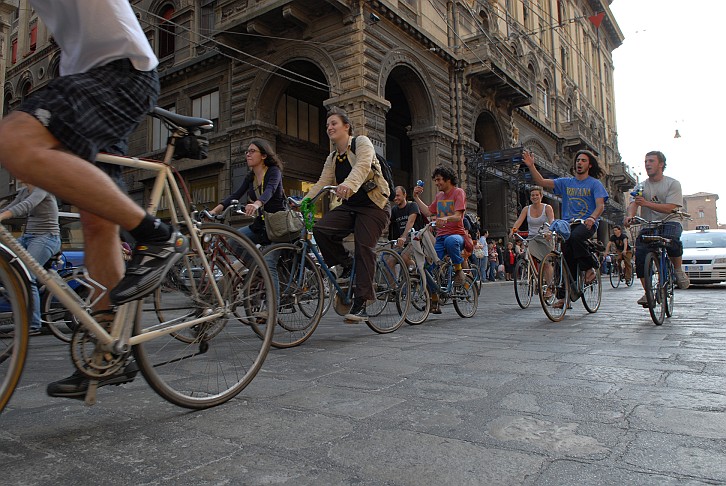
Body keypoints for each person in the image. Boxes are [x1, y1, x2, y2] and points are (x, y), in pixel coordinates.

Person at [0, 1, 184, 399]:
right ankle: (109, 352)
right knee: (97, 219)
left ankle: (156, 235)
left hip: (119, 69)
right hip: (87, 76)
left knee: (14, 139)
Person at [303, 106, 391, 322]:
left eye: (334, 123)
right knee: (321, 229)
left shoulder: (361, 143)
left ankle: (362, 301)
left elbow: (362, 166)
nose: (329, 128)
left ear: (346, 126)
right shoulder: (332, 157)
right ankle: (346, 263)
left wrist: (349, 185)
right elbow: (323, 182)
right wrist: (304, 201)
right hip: (351, 206)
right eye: (327, 125)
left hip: (374, 205)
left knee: (364, 247)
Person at [522, 149, 608, 308]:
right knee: (565, 259)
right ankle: (564, 298)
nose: (579, 163)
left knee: (575, 238)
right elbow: (541, 182)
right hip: (568, 225)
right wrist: (531, 166)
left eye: (583, 160)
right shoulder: (566, 182)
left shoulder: (595, 184)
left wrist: (592, 218)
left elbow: (600, 205)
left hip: (586, 223)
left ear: (589, 165)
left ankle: (590, 266)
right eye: (578, 160)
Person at [209, 139, 286, 297]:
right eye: (247, 152)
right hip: (261, 225)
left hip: (279, 227)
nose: (248, 154)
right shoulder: (250, 177)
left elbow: (270, 190)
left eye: (252, 151)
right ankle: (258, 271)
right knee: (234, 241)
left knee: (269, 263)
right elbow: (235, 195)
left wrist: (257, 204)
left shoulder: (274, 171)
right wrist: (214, 212)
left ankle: (273, 307)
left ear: (263, 155)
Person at [624, 150, 689, 306]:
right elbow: (634, 203)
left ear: (661, 164)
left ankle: (678, 269)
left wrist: (646, 203)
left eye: (651, 161)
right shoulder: (641, 186)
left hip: (670, 220)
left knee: (672, 240)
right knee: (640, 254)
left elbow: (670, 208)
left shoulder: (672, 184)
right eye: (646, 161)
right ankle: (648, 293)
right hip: (649, 224)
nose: (647, 164)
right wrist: (629, 216)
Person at [0, 181, 61, 335]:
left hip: (46, 238)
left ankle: (33, 325)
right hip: (28, 237)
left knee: (27, 277)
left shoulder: (43, 188)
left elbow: (26, 205)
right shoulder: (23, 191)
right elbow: (10, 207)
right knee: (5, 266)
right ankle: (15, 295)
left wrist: (1, 217)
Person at [412, 165, 468, 287]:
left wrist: (445, 218)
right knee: (428, 267)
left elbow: (458, 216)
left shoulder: (458, 192)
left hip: (457, 235)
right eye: (435, 180)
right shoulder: (439, 197)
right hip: (440, 238)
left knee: (451, 241)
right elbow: (428, 212)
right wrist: (416, 197)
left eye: (439, 180)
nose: (436, 183)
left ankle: (458, 270)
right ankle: (434, 301)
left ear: (448, 179)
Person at [510, 185, 555, 263]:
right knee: (528, 256)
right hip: (532, 237)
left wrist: (550, 232)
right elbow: (518, 222)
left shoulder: (547, 208)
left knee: (547, 263)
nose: (534, 197)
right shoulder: (526, 209)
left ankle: (547, 274)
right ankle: (528, 272)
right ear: (530, 197)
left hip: (545, 237)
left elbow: (552, 222)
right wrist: (513, 231)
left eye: (537, 195)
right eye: (532, 195)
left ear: (541, 196)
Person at [388, 185, 422, 267]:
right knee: (389, 261)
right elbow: (388, 223)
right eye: (394, 196)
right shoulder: (394, 210)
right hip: (401, 242)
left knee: (404, 257)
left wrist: (404, 237)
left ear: (404, 195)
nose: (395, 198)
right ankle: (394, 280)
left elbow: (411, 222)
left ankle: (414, 276)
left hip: (415, 240)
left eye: (398, 195)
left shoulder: (412, 206)